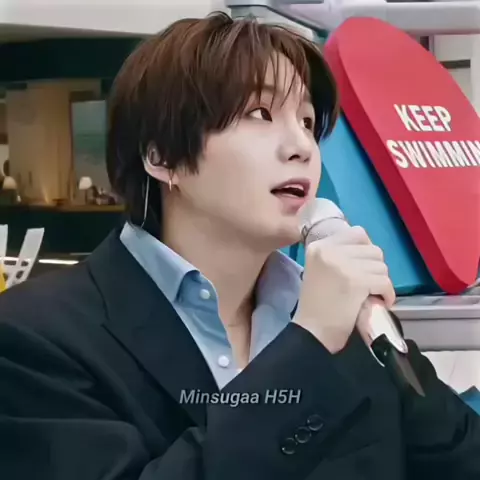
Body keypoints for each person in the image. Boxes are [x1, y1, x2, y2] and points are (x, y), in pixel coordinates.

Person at [0, 12, 478, 480]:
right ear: (161, 156)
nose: (302, 147)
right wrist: (309, 344)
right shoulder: (33, 338)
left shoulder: (349, 320)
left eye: (307, 121)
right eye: (260, 114)